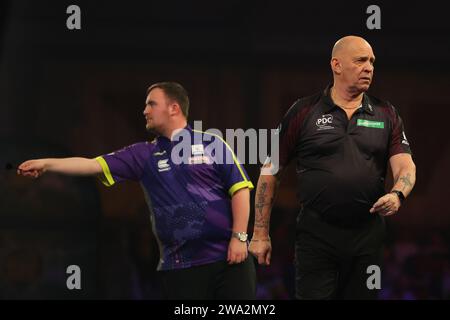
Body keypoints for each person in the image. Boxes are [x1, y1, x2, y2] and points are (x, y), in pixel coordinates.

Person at [17, 82, 256, 300]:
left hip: (229, 259)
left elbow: (241, 190)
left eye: (152, 104)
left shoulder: (212, 144)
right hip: (181, 266)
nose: (145, 111)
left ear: (174, 108)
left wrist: (239, 237)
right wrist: (48, 163)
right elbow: (91, 164)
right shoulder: (142, 155)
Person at [248, 36, 416, 300]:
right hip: (316, 235)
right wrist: (259, 233)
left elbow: (405, 165)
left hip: (367, 237)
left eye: (372, 61)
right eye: (361, 60)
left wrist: (398, 194)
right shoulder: (304, 111)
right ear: (336, 65)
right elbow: (270, 172)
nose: (369, 67)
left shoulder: (386, 114)